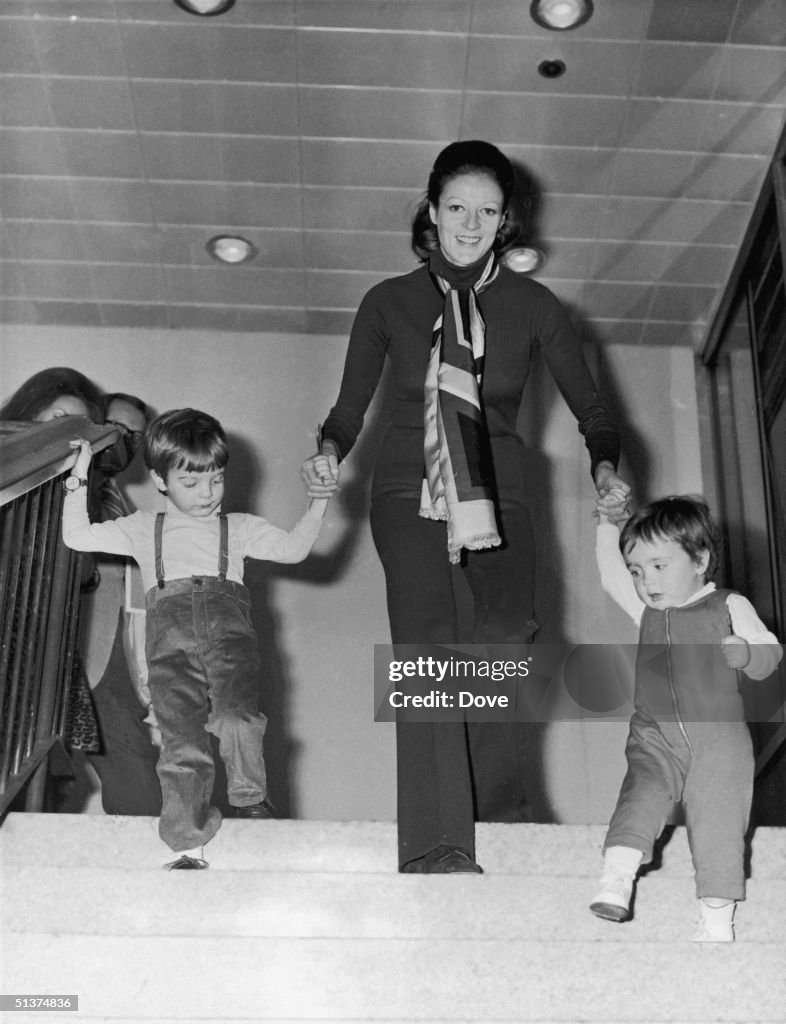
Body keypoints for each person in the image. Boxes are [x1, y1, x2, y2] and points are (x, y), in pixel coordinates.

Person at [301, 139, 629, 874]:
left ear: (507, 219)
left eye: (487, 211)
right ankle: (437, 843)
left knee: (506, 639)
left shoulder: (535, 307)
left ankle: (495, 807)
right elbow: (349, 410)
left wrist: (606, 468)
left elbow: (595, 412)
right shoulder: (389, 302)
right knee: (426, 648)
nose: (470, 224)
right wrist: (328, 451)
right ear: (432, 211)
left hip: (500, 487)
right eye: (456, 208)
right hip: (402, 484)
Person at [63, 408, 331, 869]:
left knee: (237, 718)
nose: (207, 494)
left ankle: (250, 797)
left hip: (230, 641)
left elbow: (294, 548)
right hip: (169, 649)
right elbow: (76, 535)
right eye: (191, 483)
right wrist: (79, 476)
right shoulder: (145, 527)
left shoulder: (239, 528)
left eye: (216, 480)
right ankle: (187, 845)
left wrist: (320, 501)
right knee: (182, 744)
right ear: (161, 480)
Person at [591, 493, 782, 941]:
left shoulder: (727, 606)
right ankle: (615, 882)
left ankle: (717, 925)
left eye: (659, 566)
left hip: (719, 742)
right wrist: (604, 524)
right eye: (638, 571)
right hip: (654, 735)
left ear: (700, 559)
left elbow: (770, 650)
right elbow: (609, 574)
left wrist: (747, 653)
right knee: (640, 797)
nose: (646, 581)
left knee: (718, 826)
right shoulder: (647, 612)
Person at [1, 367, 105, 762]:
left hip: (31, 634)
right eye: (58, 417)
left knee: (31, 752)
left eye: (77, 424)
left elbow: (80, 572)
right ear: (30, 412)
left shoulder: (73, 490)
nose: (65, 431)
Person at [79, 390, 162, 816]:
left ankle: (149, 867)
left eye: (135, 435)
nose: (124, 441)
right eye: (115, 428)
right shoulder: (66, 486)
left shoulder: (121, 504)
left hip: (114, 652)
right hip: (77, 645)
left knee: (133, 765)